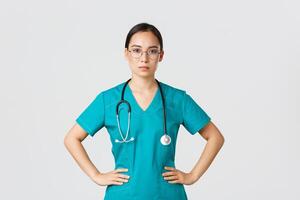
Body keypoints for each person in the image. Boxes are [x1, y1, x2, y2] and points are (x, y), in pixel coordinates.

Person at [64, 22, 225, 200]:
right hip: (123, 194)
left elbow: (215, 137)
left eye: (152, 51)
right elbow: (72, 138)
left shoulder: (177, 99)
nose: (144, 58)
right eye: (136, 50)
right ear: (126, 53)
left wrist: (192, 176)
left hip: (167, 194)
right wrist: (96, 175)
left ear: (161, 55)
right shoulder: (108, 100)